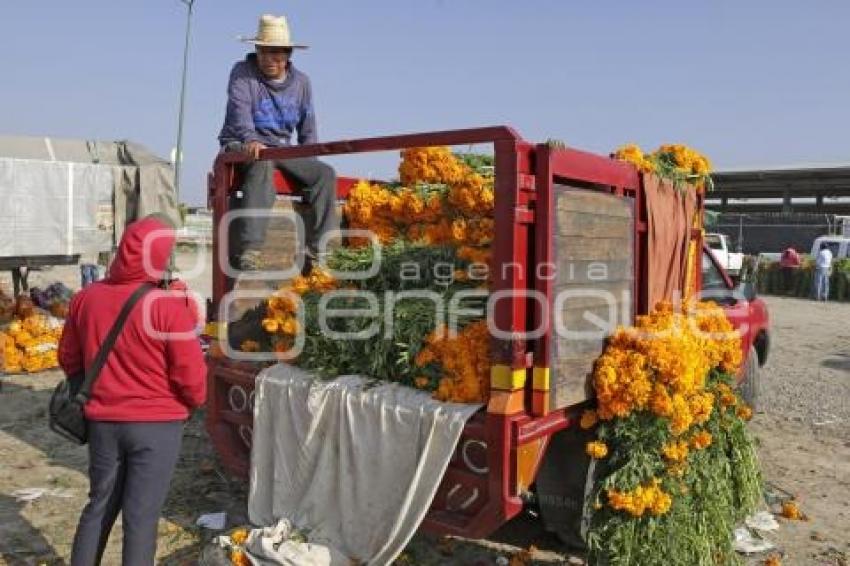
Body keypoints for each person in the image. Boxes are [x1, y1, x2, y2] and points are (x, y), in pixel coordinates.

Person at [59, 215, 207, 565]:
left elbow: (68, 357)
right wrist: (192, 403)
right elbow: (191, 375)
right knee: (141, 519)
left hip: (103, 424)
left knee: (98, 507)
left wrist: (98, 391)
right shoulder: (169, 306)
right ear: (160, 254)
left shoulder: (85, 298)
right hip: (157, 428)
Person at [218, 14, 337, 273]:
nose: (268, 60)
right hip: (241, 144)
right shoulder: (242, 73)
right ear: (256, 51)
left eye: (275, 54)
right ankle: (252, 248)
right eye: (263, 52)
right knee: (263, 159)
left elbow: (308, 126)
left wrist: (308, 163)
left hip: (282, 149)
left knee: (325, 174)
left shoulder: (302, 83)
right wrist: (250, 139)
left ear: (287, 55)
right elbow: (240, 113)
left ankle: (319, 250)